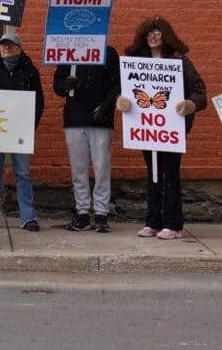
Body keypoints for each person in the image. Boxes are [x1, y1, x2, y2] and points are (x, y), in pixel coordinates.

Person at [116, 16, 207, 240]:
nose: (153, 37)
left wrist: (190, 104)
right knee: (153, 174)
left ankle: (173, 223)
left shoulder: (180, 62)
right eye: (148, 33)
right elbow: (123, 89)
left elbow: (199, 90)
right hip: (147, 129)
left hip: (172, 130)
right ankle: (153, 221)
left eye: (157, 33)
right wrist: (121, 100)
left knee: (171, 174)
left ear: (165, 36)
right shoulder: (136, 62)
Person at [0, 32, 45, 232]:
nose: (7, 48)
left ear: (19, 48)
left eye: (11, 45)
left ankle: (28, 216)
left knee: (22, 173)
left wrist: (30, 126)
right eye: (4, 45)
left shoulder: (30, 71)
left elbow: (38, 101)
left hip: (20, 131)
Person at [53, 46, 121, 232]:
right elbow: (57, 85)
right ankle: (82, 211)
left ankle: (101, 213)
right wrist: (66, 85)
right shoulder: (69, 52)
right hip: (75, 117)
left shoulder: (108, 52)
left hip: (100, 119)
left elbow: (118, 83)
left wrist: (106, 106)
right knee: (78, 169)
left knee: (102, 168)